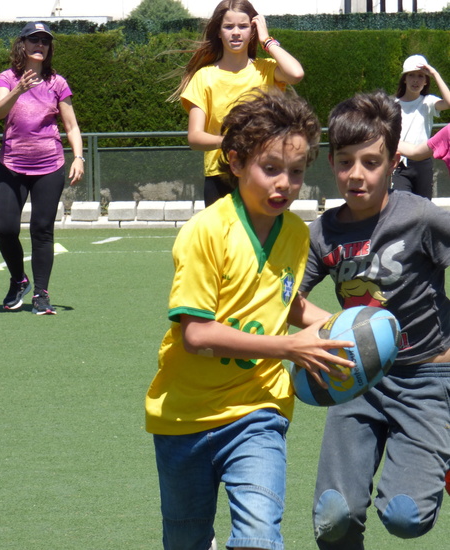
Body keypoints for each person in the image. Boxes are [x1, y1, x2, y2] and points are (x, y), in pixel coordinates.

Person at [145, 90, 356, 550]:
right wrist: (289, 347)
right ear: (235, 162)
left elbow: (284, 301)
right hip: (183, 416)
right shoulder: (206, 233)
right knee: (185, 541)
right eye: (271, 169)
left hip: (258, 410)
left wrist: (345, 326)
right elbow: (197, 335)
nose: (285, 184)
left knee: (260, 536)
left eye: (297, 172)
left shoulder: (299, 234)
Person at [299, 91, 450, 550]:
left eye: (371, 161)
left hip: (427, 378)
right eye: (346, 162)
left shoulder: (421, 217)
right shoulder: (322, 232)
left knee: (405, 516)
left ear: (392, 161)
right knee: (334, 516)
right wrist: (353, 330)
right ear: (331, 162)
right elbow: (288, 302)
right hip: (356, 378)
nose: (357, 175)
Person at [169, 0, 304, 207]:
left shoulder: (266, 69)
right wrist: (232, 142)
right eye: (228, 26)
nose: (235, 33)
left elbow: (296, 74)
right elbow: (195, 138)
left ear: (253, 31)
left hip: (264, 174)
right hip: (220, 177)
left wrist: (267, 40)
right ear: (218, 32)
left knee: (260, 240)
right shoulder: (204, 77)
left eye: (243, 26)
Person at [0, 22, 84, 315]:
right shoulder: (7, 78)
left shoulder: (57, 83)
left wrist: (79, 157)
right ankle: (19, 280)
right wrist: (18, 89)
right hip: (12, 165)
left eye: (45, 41)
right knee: (5, 229)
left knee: (42, 230)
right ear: (23, 45)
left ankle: (42, 295)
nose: (40, 45)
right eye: (34, 40)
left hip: (49, 165)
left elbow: (71, 125)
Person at [392, 54, 450, 199]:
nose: (416, 80)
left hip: (423, 164)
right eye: (411, 75)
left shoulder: (428, 102)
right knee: (401, 207)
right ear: (404, 79)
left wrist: (435, 74)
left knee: (424, 211)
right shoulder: (392, 104)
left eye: (421, 76)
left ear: (426, 81)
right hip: (400, 163)